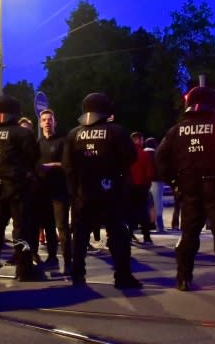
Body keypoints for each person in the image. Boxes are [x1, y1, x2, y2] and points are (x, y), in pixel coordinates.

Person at [155, 86, 215, 294]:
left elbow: (160, 159)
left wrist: (174, 182)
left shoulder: (176, 130)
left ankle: (183, 279)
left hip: (189, 189)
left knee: (189, 234)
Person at [63, 92, 142, 289]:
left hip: (83, 193)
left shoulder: (73, 134)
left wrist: (74, 193)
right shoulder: (116, 131)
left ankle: (77, 275)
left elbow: (67, 166)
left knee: (80, 237)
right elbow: (131, 157)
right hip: (111, 192)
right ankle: (122, 276)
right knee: (117, 235)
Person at [0, 94, 41, 281]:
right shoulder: (23, 133)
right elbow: (33, 158)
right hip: (17, 188)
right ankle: (24, 270)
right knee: (21, 230)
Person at [33, 108, 71, 275]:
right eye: (44, 120)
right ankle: (52, 258)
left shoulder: (63, 142)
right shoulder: (37, 144)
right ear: (40, 124)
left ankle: (68, 262)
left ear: (55, 122)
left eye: (50, 119)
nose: (47, 122)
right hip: (43, 192)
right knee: (48, 227)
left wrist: (52, 165)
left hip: (60, 191)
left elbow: (68, 165)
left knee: (62, 226)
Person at [127, 132, 154, 244]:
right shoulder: (143, 154)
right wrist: (148, 184)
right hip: (142, 186)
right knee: (143, 211)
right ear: (138, 140)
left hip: (129, 186)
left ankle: (129, 235)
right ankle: (146, 237)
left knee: (130, 211)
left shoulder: (126, 154)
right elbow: (149, 172)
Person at [145, 137, 166, 233]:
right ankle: (159, 226)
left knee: (146, 204)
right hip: (156, 181)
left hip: (143, 182)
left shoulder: (142, 153)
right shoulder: (156, 154)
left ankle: (147, 225)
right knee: (157, 203)